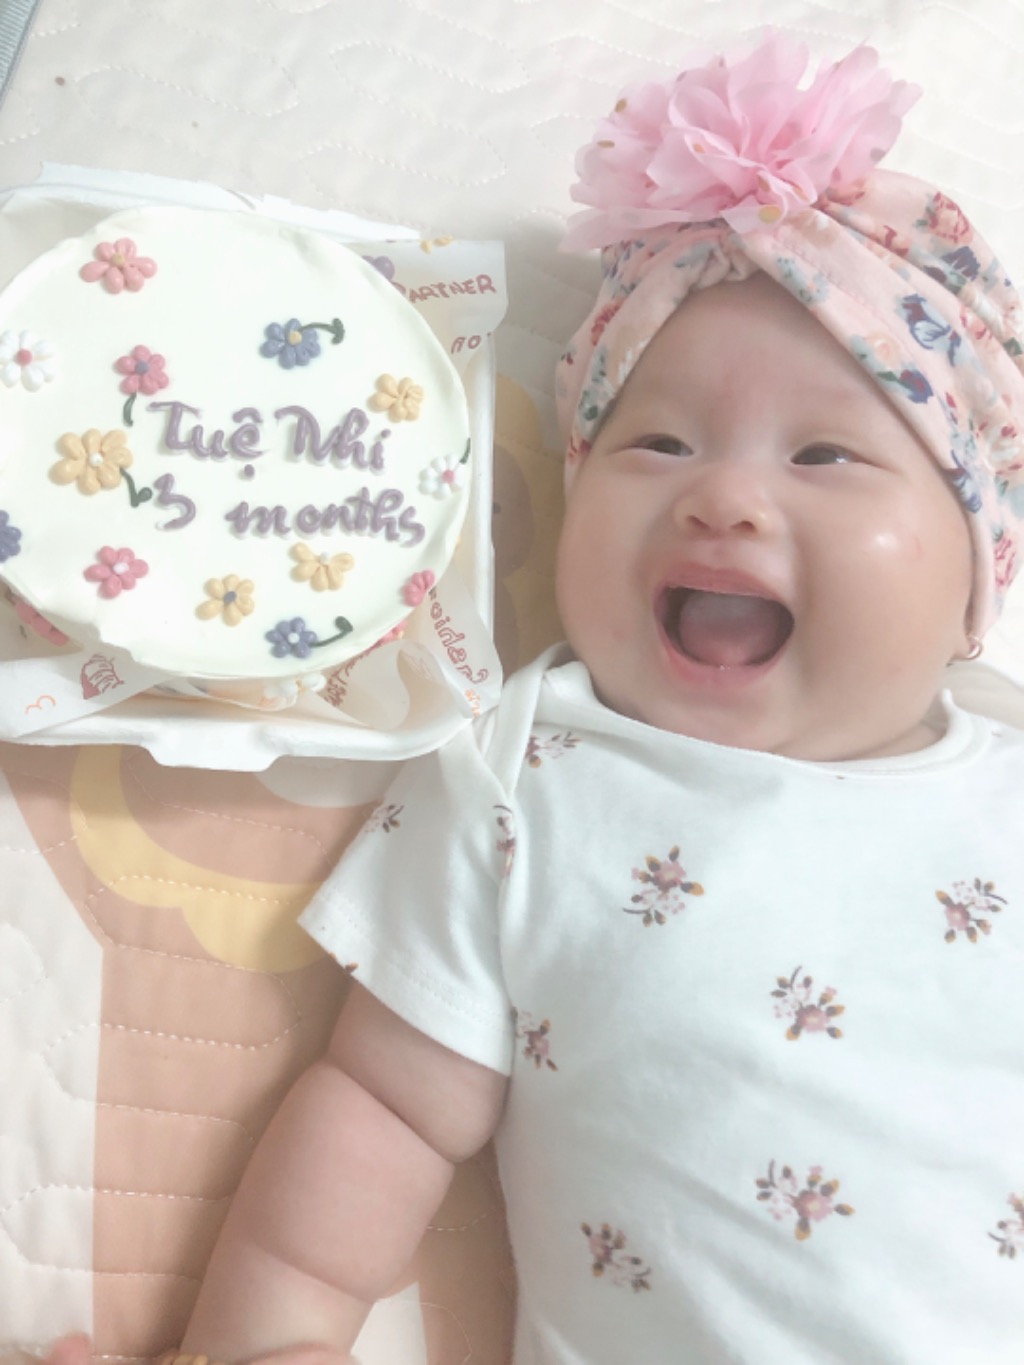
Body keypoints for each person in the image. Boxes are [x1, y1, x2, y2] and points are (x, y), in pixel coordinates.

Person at [167, 31, 1024, 1364]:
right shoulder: (525, 777)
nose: (724, 497)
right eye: (657, 440)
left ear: (977, 566)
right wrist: (263, 1341)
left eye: (825, 454)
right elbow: (385, 1111)